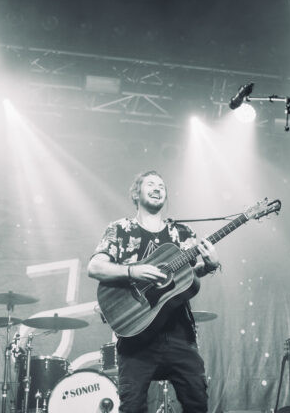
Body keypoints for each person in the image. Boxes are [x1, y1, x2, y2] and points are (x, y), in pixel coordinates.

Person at [88, 170, 221, 413]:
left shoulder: (182, 233)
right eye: (150, 184)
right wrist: (133, 272)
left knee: (197, 403)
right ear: (136, 193)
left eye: (162, 185)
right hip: (136, 336)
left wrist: (209, 265)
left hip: (180, 333)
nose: (158, 188)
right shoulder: (120, 229)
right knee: (133, 407)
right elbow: (95, 267)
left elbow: (186, 277)